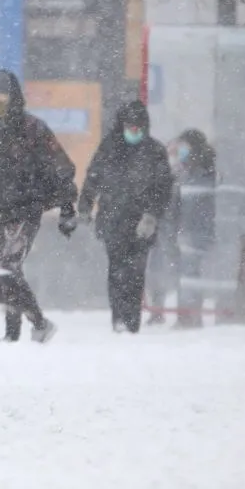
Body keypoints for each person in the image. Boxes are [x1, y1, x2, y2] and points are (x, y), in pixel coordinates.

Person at [0, 70, 76, 343]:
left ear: (13, 97)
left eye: (0, 94)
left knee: (7, 268)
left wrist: (67, 206)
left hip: (25, 209)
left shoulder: (32, 128)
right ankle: (13, 333)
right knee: (5, 272)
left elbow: (60, 165)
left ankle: (40, 323)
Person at [77, 101, 173, 334]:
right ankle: (119, 318)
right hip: (112, 220)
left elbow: (163, 187)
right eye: (130, 127)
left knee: (135, 273)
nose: (134, 132)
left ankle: (131, 321)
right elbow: (93, 178)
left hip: (141, 224)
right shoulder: (108, 149)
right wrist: (85, 206)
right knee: (117, 270)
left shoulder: (155, 152)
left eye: (138, 128)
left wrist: (151, 215)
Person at [171, 129, 217, 328]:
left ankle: (189, 315)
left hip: (197, 230)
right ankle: (188, 314)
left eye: (184, 146)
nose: (180, 150)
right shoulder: (186, 170)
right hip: (187, 229)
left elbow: (195, 202)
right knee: (188, 273)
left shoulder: (203, 172)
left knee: (190, 273)